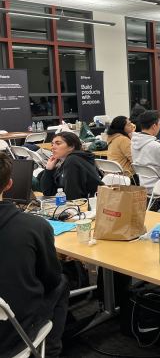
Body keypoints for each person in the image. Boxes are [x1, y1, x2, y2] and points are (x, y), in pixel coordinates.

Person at [0, 153, 69, 357]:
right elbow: (50, 279)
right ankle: (50, 350)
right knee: (62, 281)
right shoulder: (34, 226)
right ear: (9, 184)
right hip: (9, 336)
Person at [39, 132, 102, 200]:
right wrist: (48, 169)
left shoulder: (73, 161)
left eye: (58, 143)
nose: (52, 148)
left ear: (71, 146)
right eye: (52, 144)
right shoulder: (64, 163)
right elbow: (48, 193)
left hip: (90, 206)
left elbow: (73, 197)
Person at [131, 110, 160, 191]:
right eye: (159, 124)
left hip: (143, 184)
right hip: (159, 185)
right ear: (154, 126)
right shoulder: (155, 146)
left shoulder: (133, 142)